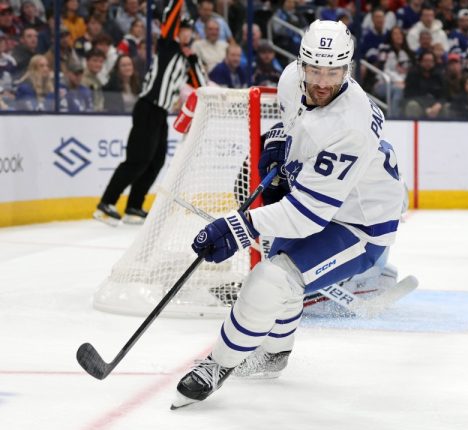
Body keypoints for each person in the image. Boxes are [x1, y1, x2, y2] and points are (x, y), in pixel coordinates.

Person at [171, 20, 406, 409]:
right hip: (324, 196)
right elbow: (292, 123)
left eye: (334, 72)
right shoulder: (289, 79)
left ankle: (217, 365)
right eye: (315, 70)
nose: (323, 82)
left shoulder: (350, 124)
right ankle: (275, 355)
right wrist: (278, 143)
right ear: (301, 64)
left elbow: (307, 215)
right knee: (279, 272)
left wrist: (237, 227)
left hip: (361, 222)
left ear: (348, 68)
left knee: (270, 278)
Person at [93, 0, 206, 226]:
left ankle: (134, 206)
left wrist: (193, 60)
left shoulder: (186, 59)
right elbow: (171, 15)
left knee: (155, 161)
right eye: (183, 30)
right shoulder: (167, 45)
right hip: (148, 107)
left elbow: (200, 85)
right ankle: (106, 203)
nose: (186, 34)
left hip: (161, 113)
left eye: (189, 31)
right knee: (138, 159)